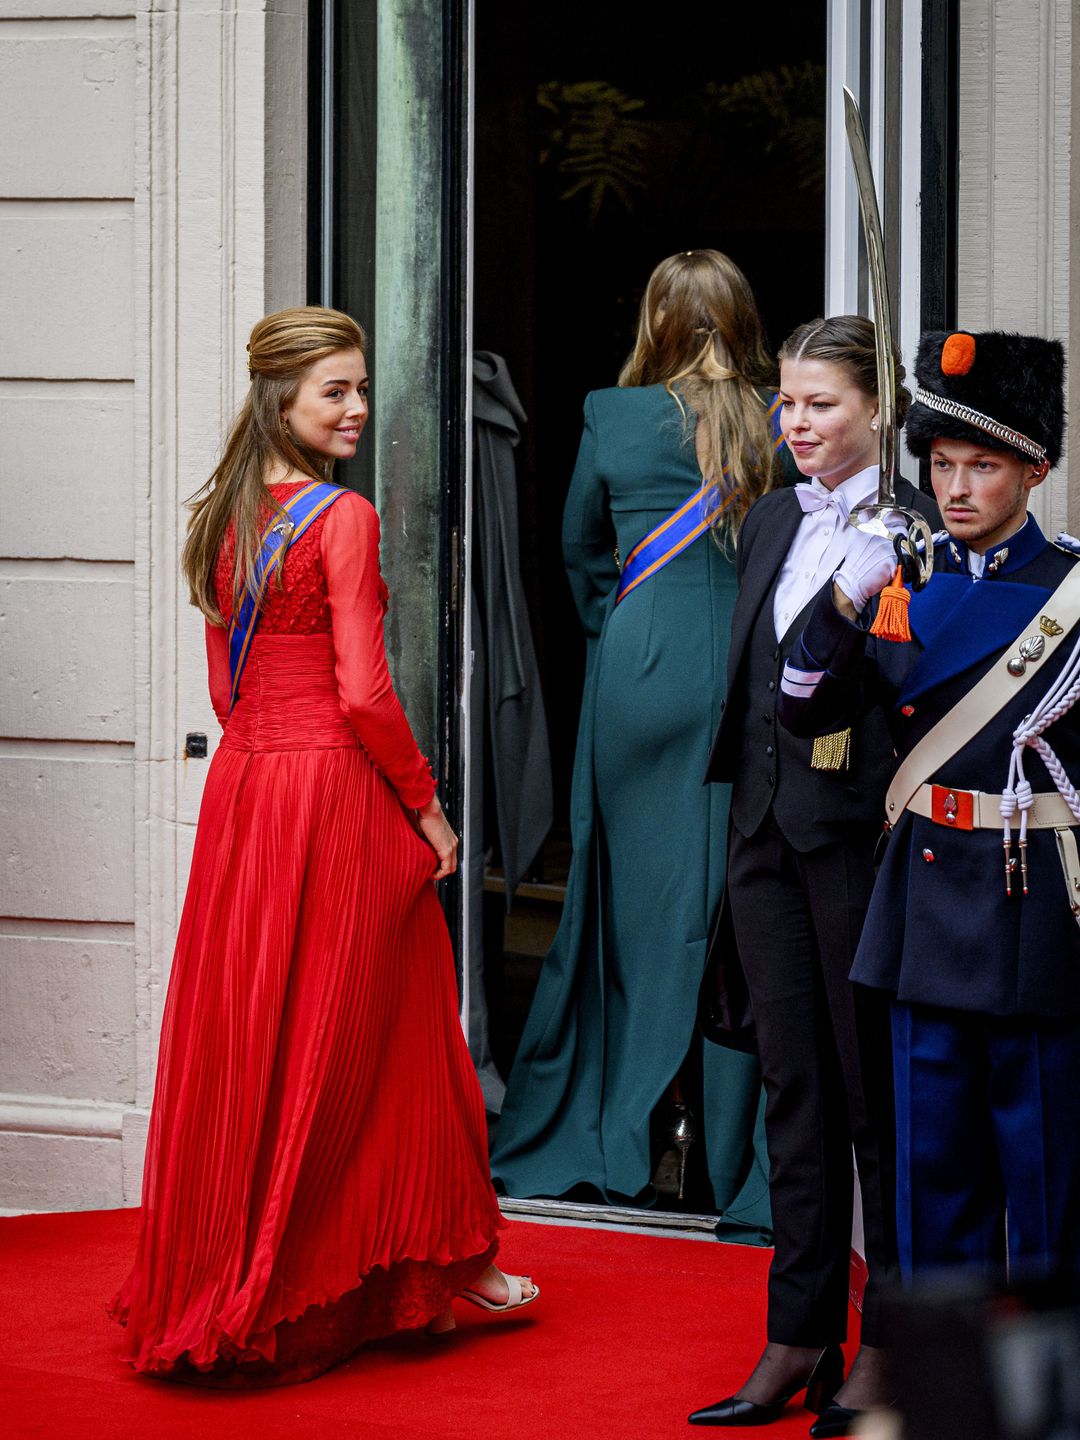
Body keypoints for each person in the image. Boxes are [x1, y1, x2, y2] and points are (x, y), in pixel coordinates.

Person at [110, 306, 536, 1386]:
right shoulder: (340, 518)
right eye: (334, 391)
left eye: (356, 387)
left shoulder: (221, 515)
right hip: (332, 786)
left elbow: (224, 685)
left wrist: (271, 744)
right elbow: (365, 690)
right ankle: (433, 1251)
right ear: (281, 402)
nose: (355, 408)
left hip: (248, 788)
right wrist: (429, 807)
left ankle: (274, 1259)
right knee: (391, 1017)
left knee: (260, 1024)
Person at [777, 330, 1080, 1315]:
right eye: (942, 465)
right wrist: (843, 595)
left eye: (982, 466)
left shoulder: (1072, 596)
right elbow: (803, 706)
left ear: (1034, 469)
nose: (955, 489)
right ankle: (952, 1402)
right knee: (933, 1185)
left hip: (1029, 909)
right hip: (919, 910)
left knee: (1047, 1193)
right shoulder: (900, 581)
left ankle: (1046, 1406)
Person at [491, 250, 781, 1226]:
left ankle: (630, 1131)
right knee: (735, 911)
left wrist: (618, 631)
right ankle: (726, 1148)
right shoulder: (783, 416)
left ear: (655, 317)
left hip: (641, 661)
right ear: (741, 320)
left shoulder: (611, 415)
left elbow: (576, 549)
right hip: (747, 670)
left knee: (626, 907)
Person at [690, 316, 939, 1433]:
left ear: (878, 410)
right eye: (786, 402)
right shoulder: (777, 517)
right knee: (793, 1095)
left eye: (821, 403)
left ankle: (888, 1347)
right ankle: (797, 1336)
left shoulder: (922, 530)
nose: (795, 423)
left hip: (863, 848)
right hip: (762, 842)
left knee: (877, 1105)